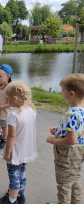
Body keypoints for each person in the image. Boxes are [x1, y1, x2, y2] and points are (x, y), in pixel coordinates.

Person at [0, 81, 37, 204]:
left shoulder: (13, 115)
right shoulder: (31, 110)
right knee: (21, 175)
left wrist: (7, 153)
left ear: (14, 97)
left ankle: (12, 201)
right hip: (26, 151)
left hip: (16, 152)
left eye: (8, 98)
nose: (8, 101)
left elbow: (11, 136)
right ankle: (20, 196)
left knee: (14, 177)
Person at [46, 73, 84, 204]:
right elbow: (78, 132)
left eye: (63, 91)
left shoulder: (71, 113)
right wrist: (58, 131)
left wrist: (54, 140)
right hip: (79, 152)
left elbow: (71, 140)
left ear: (72, 94)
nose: (62, 94)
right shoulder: (82, 111)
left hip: (67, 153)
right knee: (74, 178)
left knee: (64, 184)